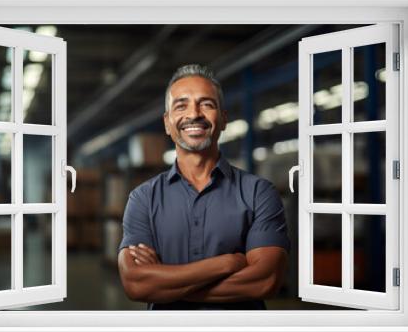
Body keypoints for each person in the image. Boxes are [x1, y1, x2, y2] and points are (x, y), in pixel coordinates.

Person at [117, 64, 290, 310]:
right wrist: (227, 264)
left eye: (206, 104)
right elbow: (135, 283)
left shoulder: (258, 193)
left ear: (223, 119)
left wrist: (165, 286)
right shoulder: (143, 198)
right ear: (167, 123)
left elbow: (264, 281)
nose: (194, 114)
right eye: (181, 105)